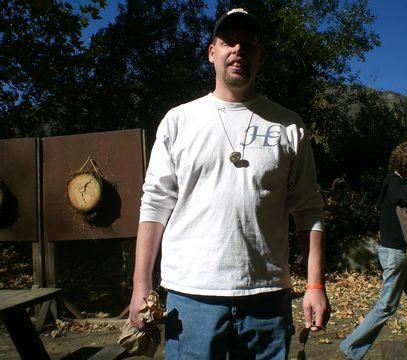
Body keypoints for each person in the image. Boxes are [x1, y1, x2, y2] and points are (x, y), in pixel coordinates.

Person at [128, 8, 330, 359]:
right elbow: (155, 203)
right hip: (190, 299)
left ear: (260, 56)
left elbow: (309, 210)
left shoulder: (289, 126)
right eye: (228, 42)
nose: (238, 49)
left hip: (266, 299)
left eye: (248, 43)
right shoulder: (179, 121)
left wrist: (315, 284)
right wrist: (141, 285)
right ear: (212, 52)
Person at [339, 140, 407, 359]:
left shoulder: (392, 181)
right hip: (395, 255)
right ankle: (351, 348)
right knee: (386, 307)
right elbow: (405, 197)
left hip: (398, 254)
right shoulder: (394, 182)